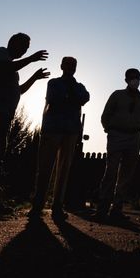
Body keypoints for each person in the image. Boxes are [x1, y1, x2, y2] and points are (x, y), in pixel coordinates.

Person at [0, 33, 49, 216]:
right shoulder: (0, 54)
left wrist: (34, 78)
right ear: (12, 42)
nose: (25, 50)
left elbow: (18, 91)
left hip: (2, 117)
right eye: (23, 46)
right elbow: (1, 69)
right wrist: (31, 59)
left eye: (27, 48)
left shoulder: (14, 69)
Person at [30, 56, 90, 221]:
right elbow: (53, 99)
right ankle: (38, 205)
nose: (71, 67)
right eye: (68, 64)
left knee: (64, 171)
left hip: (70, 131)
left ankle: (57, 207)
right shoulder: (54, 83)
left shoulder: (79, 86)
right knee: (44, 168)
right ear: (62, 66)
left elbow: (85, 97)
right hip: (52, 129)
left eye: (74, 65)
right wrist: (71, 98)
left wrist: (68, 97)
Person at [94, 68, 140, 221]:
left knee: (126, 175)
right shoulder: (117, 95)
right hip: (116, 135)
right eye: (132, 77)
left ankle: (117, 210)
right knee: (110, 172)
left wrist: (136, 129)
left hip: (134, 137)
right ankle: (102, 209)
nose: (135, 80)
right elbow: (105, 114)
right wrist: (110, 129)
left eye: (137, 77)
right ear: (126, 80)